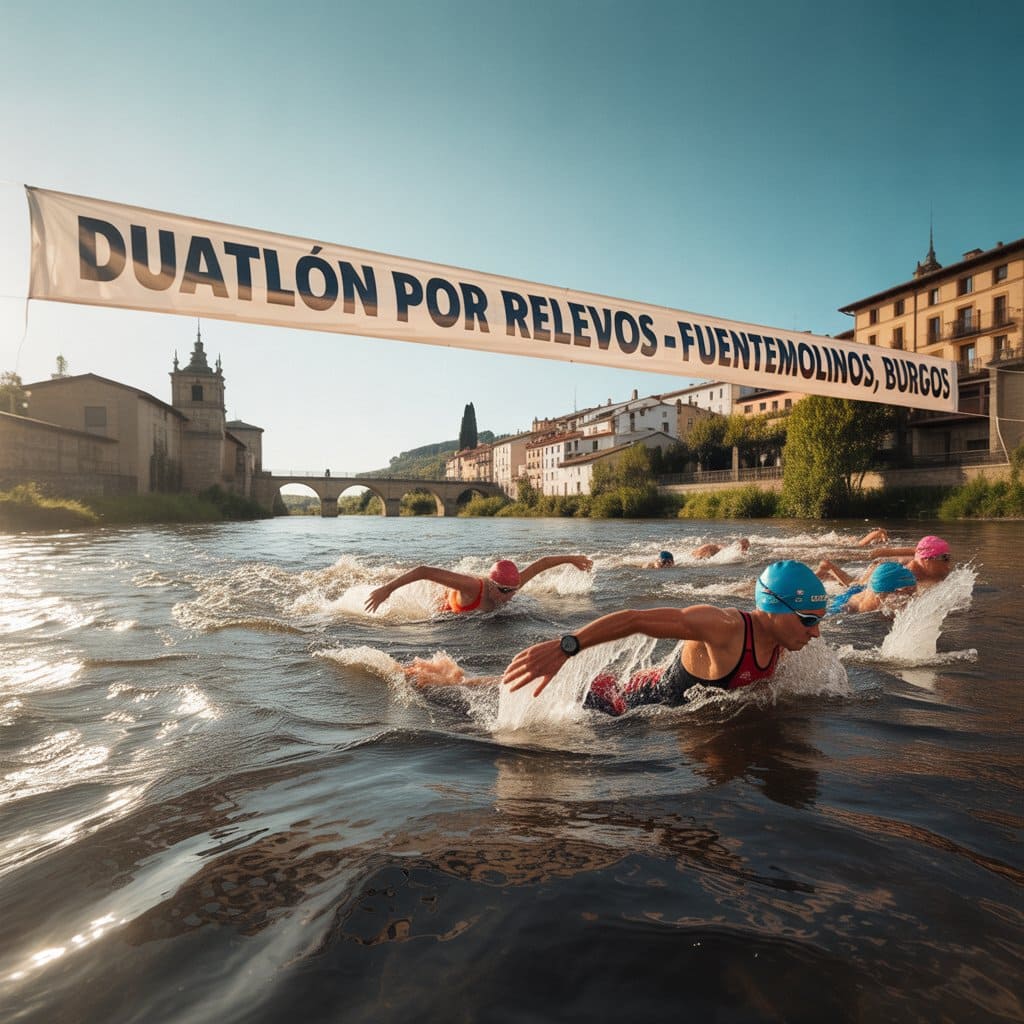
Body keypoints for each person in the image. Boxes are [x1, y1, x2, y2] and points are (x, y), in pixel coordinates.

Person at [499, 560, 827, 714]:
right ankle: (452, 682)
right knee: (517, 687)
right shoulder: (724, 627)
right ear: (774, 609)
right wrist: (566, 647)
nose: (815, 632)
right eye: (808, 620)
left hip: (646, 689)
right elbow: (635, 620)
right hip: (620, 701)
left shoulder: (786, 642)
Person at [364, 554, 594, 615]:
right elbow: (424, 571)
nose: (508, 596)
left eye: (513, 591)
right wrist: (387, 589)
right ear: (492, 586)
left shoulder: (512, 584)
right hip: (449, 608)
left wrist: (571, 559)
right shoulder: (474, 587)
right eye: (504, 591)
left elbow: (541, 564)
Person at [827, 561, 917, 615]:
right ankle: (828, 567)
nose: (911, 598)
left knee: (857, 584)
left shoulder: (888, 593)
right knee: (851, 585)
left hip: (864, 589)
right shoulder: (847, 610)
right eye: (909, 593)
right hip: (849, 598)